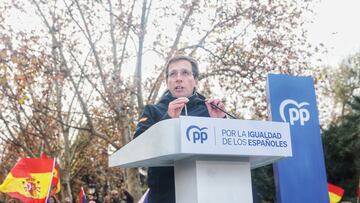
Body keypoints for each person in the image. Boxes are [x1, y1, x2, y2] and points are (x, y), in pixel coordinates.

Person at [133, 55, 226, 203]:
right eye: (173, 74)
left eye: (185, 73)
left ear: (195, 80)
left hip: (208, 193)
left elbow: (227, 152)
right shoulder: (152, 111)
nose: (178, 78)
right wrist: (167, 120)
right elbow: (137, 148)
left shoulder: (210, 110)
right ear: (167, 82)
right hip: (164, 195)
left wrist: (220, 123)